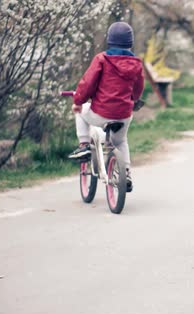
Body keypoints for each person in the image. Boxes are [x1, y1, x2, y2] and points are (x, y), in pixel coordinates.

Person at [68, 22, 144, 192]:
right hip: (124, 115)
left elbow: (88, 83)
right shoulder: (136, 63)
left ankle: (84, 146)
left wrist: (78, 101)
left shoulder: (102, 59)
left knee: (80, 112)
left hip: (100, 113)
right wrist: (133, 99)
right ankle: (126, 172)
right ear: (130, 42)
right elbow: (138, 88)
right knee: (121, 141)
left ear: (109, 40)